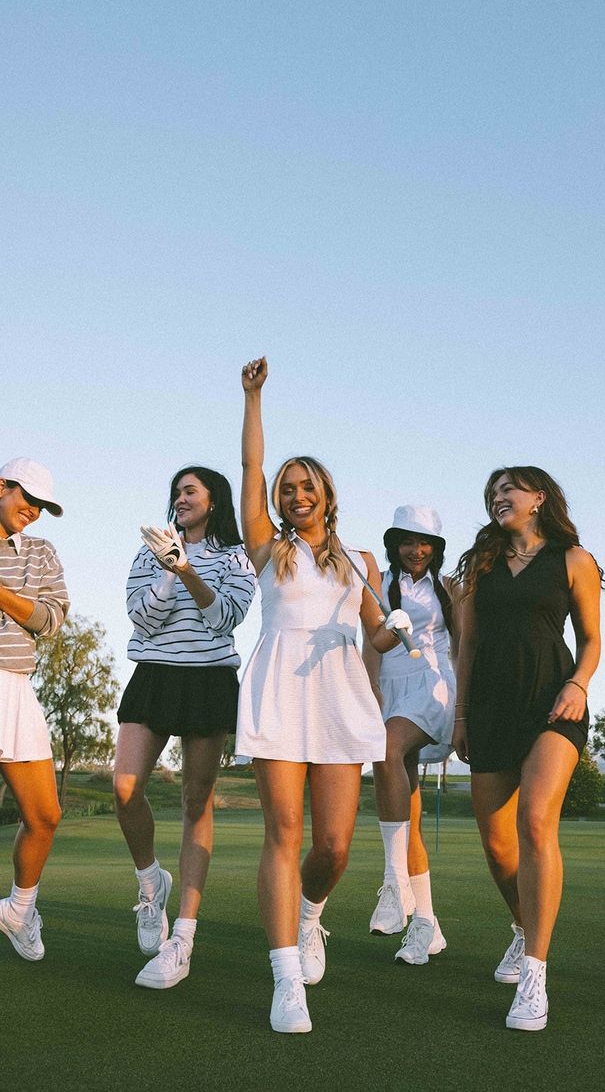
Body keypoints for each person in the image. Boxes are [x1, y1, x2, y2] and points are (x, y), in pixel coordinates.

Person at [236, 357, 412, 1034]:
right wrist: (253, 400)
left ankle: (311, 917)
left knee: (334, 845)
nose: (294, 494)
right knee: (283, 831)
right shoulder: (267, 547)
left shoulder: (358, 562)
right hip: (280, 689)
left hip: (340, 697)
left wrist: (394, 625)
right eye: (288, 488)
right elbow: (250, 471)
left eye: (306, 485)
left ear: (328, 494)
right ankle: (285, 978)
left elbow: (377, 637)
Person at [453, 467, 601, 1031]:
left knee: (536, 822)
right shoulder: (480, 565)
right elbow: (467, 645)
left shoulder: (573, 559)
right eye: (492, 491)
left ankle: (535, 975)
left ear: (539, 498)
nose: (499, 497)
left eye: (509, 488)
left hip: (552, 702)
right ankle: (523, 928)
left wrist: (578, 685)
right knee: (496, 843)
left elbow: (591, 639)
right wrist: (461, 716)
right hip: (490, 707)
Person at [114, 466, 255, 989]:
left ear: (213, 500)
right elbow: (141, 619)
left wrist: (188, 568)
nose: (180, 498)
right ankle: (152, 884)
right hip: (154, 675)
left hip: (209, 681)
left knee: (197, 803)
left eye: (189, 491)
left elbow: (225, 618)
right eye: (175, 492)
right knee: (124, 788)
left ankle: (185, 935)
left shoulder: (236, 557)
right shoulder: (148, 550)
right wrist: (168, 568)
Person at [363, 505, 456, 965]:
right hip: (389, 691)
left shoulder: (450, 588)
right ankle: (427, 926)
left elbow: (467, 643)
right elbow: (372, 644)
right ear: (394, 542)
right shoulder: (378, 582)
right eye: (407, 541)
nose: (415, 550)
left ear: (436, 547)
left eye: (425, 543)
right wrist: (369, 692)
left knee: (387, 749)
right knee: (410, 820)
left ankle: (394, 883)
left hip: (432, 689)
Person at [0, 458, 69, 961]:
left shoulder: (40, 553)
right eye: (29, 500)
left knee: (44, 815)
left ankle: (18, 910)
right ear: (2, 486)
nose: (34, 512)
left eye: (42, 507)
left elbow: (51, 620)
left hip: (12, 687)